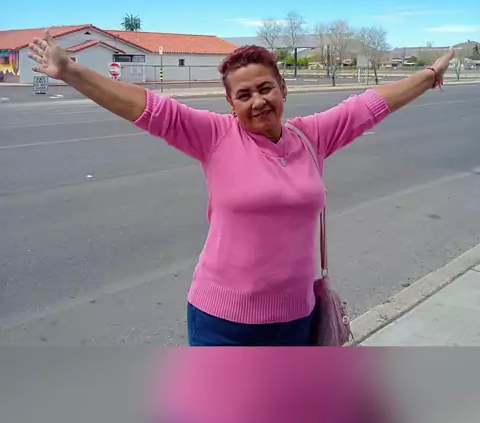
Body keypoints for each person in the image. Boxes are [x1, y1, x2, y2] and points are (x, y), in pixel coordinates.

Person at [29, 31, 454, 346]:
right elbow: (147, 108)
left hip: (298, 320)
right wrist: (72, 72)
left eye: (266, 88)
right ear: (230, 104)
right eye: (244, 94)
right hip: (223, 322)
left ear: (283, 89)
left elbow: (371, 106)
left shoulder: (312, 136)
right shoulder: (214, 136)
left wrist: (429, 75)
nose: (258, 101)